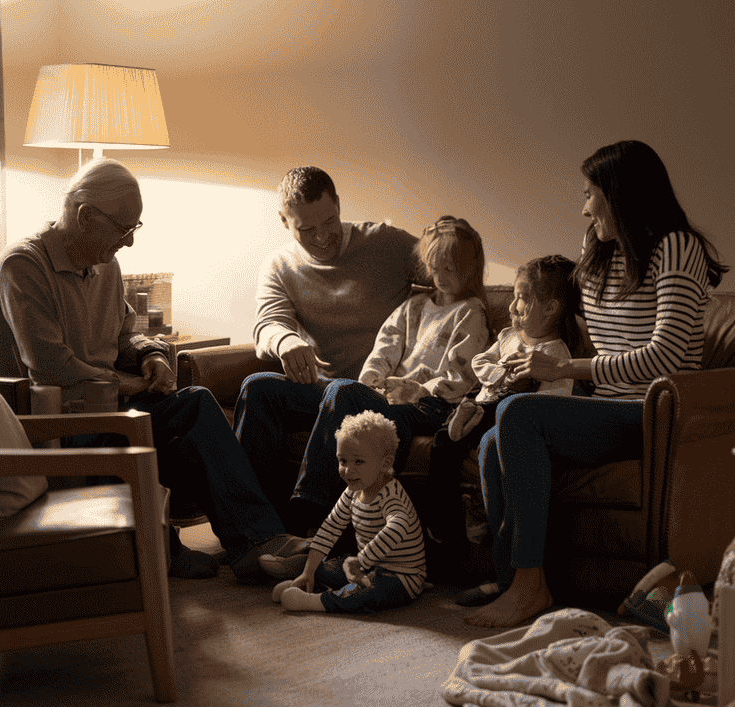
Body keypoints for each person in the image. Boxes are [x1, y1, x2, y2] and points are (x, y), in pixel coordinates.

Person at [0, 157, 309, 580]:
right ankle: (213, 543)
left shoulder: (106, 265)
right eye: (124, 229)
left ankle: (252, 545)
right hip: (49, 428)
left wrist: (151, 357)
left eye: (134, 229)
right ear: (85, 217)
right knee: (184, 415)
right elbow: (51, 368)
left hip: (105, 413)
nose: (129, 243)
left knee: (195, 408)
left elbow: (126, 337)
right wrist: (133, 385)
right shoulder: (22, 267)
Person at [463, 139, 728, 629]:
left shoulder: (677, 246)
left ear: (619, 193)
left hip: (654, 413)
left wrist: (565, 371)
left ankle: (528, 586)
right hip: (608, 408)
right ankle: (514, 583)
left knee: (519, 415)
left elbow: (666, 354)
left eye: (591, 194)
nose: (585, 207)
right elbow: (574, 322)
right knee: (495, 440)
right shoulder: (600, 251)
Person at [254, 215, 491, 539]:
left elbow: (462, 375)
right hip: (391, 397)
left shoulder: (471, 312)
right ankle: (271, 520)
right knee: (321, 389)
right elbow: (385, 349)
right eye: (435, 268)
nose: (440, 276)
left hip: (431, 406)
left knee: (344, 392)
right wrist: (370, 383)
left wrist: (418, 389)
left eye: (449, 268)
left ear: (469, 267)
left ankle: (307, 509)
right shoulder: (415, 306)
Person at [233, 166, 420, 528]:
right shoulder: (280, 265)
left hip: (383, 397)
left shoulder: (387, 243)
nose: (321, 237)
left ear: (338, 205)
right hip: (327, 395)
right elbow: (267, 324)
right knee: (258, 388)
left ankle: (307, 521)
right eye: (306, 229)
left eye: (329, 221)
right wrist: (286, 340)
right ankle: (253, 529)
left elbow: (451, 269)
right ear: (284, 222)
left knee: (342, 389)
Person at [425, 255, 584, 575]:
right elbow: (480, 363)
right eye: (512, 296)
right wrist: (501, 373)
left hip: (507, 416)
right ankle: (443, 533)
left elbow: (555, 403)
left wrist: (520, 384)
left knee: (506, 407)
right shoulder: (508, 338)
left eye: (522, 298)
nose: (512, 306)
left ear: (551, 308)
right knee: (442, 445)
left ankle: (469, 415)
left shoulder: (555, 354)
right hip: (484, 401)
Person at [270, 411, 427, 614]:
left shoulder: (391, 495)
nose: (347, 470)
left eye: (358, 462)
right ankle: (305, 581)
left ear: (385, 464)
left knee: (368, 593)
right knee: (333, 566)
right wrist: (309, 571)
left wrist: (361, 561)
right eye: (342, 461)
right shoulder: (353, 490)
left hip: (400, 577)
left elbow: (398, 526)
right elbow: (330, 529)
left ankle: (317, 601)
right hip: (366, 567)